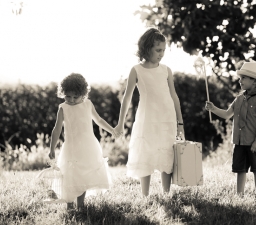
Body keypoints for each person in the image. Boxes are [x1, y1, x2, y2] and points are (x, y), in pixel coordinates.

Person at [115, 27, 185, 196]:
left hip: (167, 117)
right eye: (158, 50)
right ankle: (145, 195)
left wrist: (180, 122)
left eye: (163, 50)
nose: (161, 54)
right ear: (146, 48)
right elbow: (127, 98)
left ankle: (166, 193)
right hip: (147, 118)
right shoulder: (136, 70)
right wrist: (120, 123)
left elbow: (174, 96)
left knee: (167, 152)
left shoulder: (166, 70)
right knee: (145, 153)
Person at [48, 73, 119, 210]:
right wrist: (52, 148)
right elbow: (56, 130)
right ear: (63, 93)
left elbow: (98, 120)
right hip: (71, 147)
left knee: (84, 174)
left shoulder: (88, 104)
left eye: (76, 97)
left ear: (83, 94)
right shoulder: (63, 108)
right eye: (68, 96)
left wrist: (112, 130)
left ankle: (81, 205)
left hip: (88, 146)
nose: (72, 100)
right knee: (70, 175)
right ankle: (69, 204)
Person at [205, 61, 256, 196]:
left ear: (254, 81)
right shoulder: (239, 99)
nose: (240, 81)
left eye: (244, 78)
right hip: (240, 141)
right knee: (240, 169)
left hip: (255, 142)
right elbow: (227, 114)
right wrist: (213, 108)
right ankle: (239, 195)